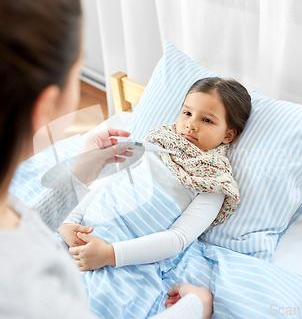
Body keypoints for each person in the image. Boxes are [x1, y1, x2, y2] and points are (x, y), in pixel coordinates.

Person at [0, 0, 213, 318]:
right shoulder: (35, 296)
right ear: (47, 106)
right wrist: (197, 306)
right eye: (77, 71)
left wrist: (81, 171)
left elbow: (12, 233)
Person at [58, 77, 252, 271]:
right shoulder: (156, 144)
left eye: (207, 120)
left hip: (125, 259)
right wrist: (67, 222)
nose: (191, 124)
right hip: (81, 232)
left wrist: (110, 254)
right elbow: (106, 181)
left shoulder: (214, 183)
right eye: (187, 113)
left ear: (228, 135)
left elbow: (178, 238)